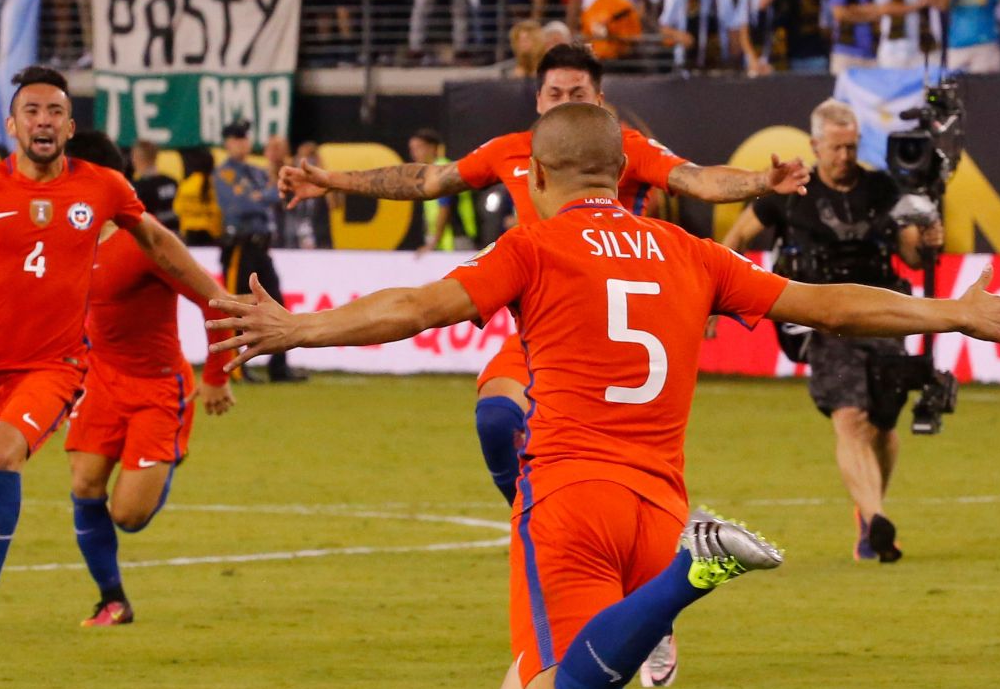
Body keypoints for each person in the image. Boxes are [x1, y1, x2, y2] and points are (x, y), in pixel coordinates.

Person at [220, 99, 1000, 689]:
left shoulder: (534, 246)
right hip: (656, 504)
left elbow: (421, 304)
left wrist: (299, 326)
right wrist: (950, 313)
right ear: (625, 173)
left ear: (534, 176)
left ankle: (696, 573)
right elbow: (827, 305)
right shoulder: (689, 250)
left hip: (570, 503)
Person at [276, 42, 804, 534]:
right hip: (544, 328)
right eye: (555, 93)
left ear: (600, 101)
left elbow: (700, 180)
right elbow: (426, 182)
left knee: (615, 463)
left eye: (577, 94)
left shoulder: (625, 151)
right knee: (496, 417)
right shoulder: (512, 151)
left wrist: (760, 182)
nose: (564, 102)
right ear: (538, 99)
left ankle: (612, 544)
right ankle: (543, 525)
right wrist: (332, 180)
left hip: (610, 329)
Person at [0, 68, 221, 652]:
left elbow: (158, 243)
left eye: (55, 111)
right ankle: (11, 553)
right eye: (32, 111)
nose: (44, 121)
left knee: (6, 455)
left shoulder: (101, 185)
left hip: (57, 367)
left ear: (69, 125)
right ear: (12, 124)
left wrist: (219, 300)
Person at [732, 97, 952, 560]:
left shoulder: (884, 188)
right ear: (815, 144)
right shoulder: (792, 190)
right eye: (835, 148)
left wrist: (929, 241)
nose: (845, 157)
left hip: (882, 311)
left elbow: (913, 256)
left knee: (884, 423)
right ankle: (874, 521)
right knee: (850, 417)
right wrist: (715, 297)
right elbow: (736, 237)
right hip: (821, 317)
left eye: (851, 147)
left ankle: (870, 513)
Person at [62, 127, 233, 628]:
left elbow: (217, 303)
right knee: (84, 482)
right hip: (101, 380)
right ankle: (112, 600)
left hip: (158, 387)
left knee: (128, 516)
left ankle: (166, 453)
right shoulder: (68, 238)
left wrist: (218, 376)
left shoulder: (147, 240)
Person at [209, 122, 293, 387]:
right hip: (239, 247)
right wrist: (263, 196)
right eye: (236, 138)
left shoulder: (255, 172)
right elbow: (241, 205)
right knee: (238, 306)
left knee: (277, 303)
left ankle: (279, 367)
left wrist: (261, 195)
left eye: (244, 138)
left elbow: (275, 193)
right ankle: (235, 368)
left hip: (260, 247)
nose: (242, 143)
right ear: (226, 143)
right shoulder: (224, 173)